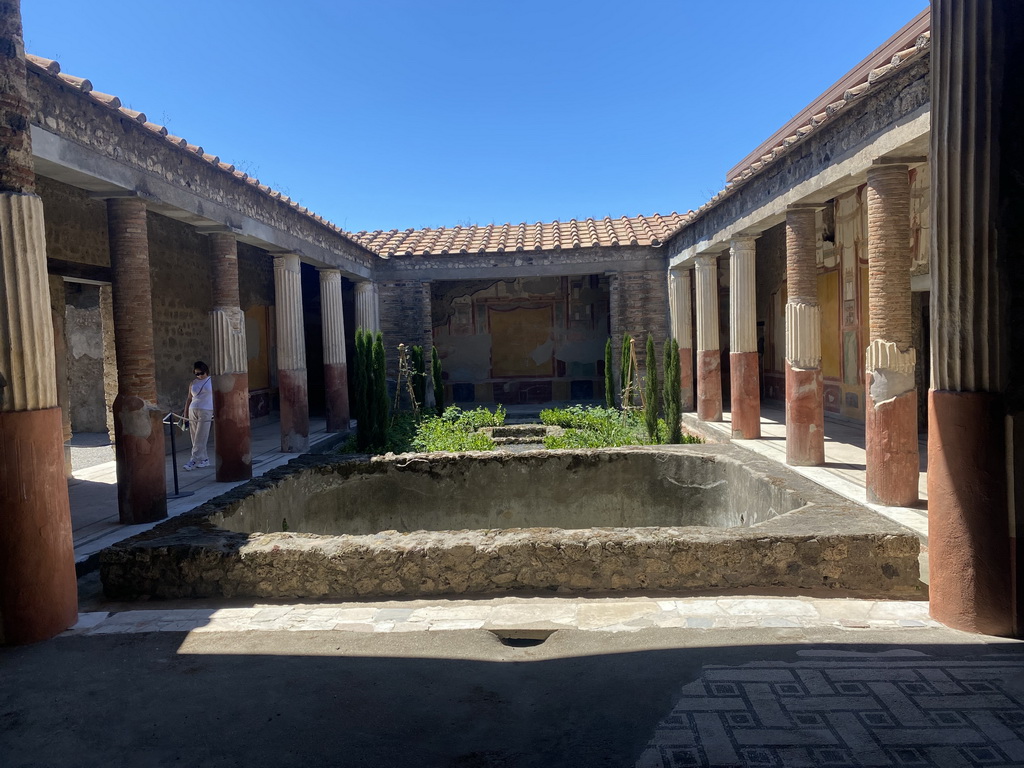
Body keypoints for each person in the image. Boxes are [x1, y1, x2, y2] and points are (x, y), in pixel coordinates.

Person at [182, 360, 214, 470]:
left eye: (201, 373)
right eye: (196, 373)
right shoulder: (193, 383)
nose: (199, 376)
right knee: (194, 436)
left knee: (201, 435)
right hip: (193, 409)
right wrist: (185, 414)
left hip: (206, 409)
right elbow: (189, 399)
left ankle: (193, 459)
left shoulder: (212, 381)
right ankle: (204, 459)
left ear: (206, 371)